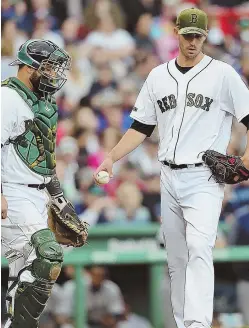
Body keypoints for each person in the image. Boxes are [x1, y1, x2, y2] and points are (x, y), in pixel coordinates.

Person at [94, 8, 249, 328]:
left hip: (204, 176)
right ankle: (183, 322)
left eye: (198, 35)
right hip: (168, 175)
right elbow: (140, 127)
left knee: (199, 247)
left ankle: (197, 323)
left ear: (205, 36)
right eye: (187, 34)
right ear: (176, 32)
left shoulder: (223, 74)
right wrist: (111, 156)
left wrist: (246, 161)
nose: (193, 41)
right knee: (176, 258)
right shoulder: (157, 75)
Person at [1, 39, 88, 328]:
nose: (54, 74)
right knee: (47, 254)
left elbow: (43, 160)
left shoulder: (43, 102)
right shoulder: (8, 99)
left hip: (36, 195)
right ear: (28, 67)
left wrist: (60, 199)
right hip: (12, 193)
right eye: (49, 67)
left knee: (22, 272)